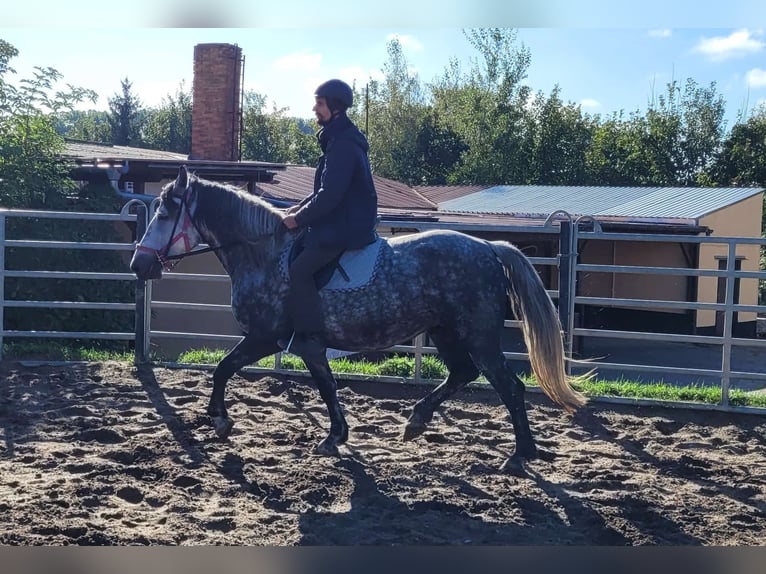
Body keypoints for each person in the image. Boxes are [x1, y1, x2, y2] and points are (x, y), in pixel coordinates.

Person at [279, 79, 378, 357]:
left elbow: (331, 195)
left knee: (299, 270)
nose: (314, 109)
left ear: (335, 107)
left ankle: (311, 338)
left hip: (345, 226)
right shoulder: (339, 139)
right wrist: (296, 210)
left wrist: (298, 220)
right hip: (341, 220)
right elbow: (323, 191)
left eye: (319, 104)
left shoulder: (343, 144)